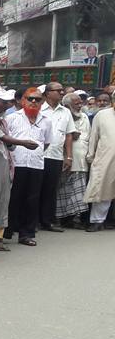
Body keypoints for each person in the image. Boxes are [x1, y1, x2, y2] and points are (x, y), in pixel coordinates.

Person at [0, 86, 38, 251]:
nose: (6, 105)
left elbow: (8, 143)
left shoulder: (1, 119)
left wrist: (15, 142)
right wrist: (23, 142)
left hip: (3, 162)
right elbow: (1, 137)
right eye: (3, 102)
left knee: (3, 199)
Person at [6, 87, 52, 246]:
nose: (33, 101)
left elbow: (46, 143)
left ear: (42, 102)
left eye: (37, 99)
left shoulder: (46, 121)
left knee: (32, 200)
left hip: (36, 164)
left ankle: (26, 234)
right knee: (13, 198)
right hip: (16, 163)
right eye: (30, 98)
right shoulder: (12, 118)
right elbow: (6, 140)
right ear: (23, 100)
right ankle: (6, 231)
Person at [39, 82, 76, 231]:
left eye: (62, 91)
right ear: (48, 93)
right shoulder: (38, 109)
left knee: (51, 190)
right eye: (58, 90)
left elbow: (69, 135)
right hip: (38, 155)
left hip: (56, 156)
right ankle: (32, 221)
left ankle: (47, 221)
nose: (61, 93)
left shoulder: (65, 112)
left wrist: (69, 156)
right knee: (35, 189)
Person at [56, 92, 91, 228]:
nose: (80, 105)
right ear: (67, 105)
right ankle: (61, 219)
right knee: (64, 190)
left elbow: (88, 136)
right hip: (66, 159)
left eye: (80, 103)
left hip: (82, 160)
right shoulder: (63, 116)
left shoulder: (84, 116)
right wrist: (70, 134)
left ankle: (72, 219)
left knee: (78, 191)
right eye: (76, 104)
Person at [84, 97, 115, 231]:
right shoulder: (102, 115)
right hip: (106, 157)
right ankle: (97, 220)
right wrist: (91, 156)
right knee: (102, 189)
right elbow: (94, 136)